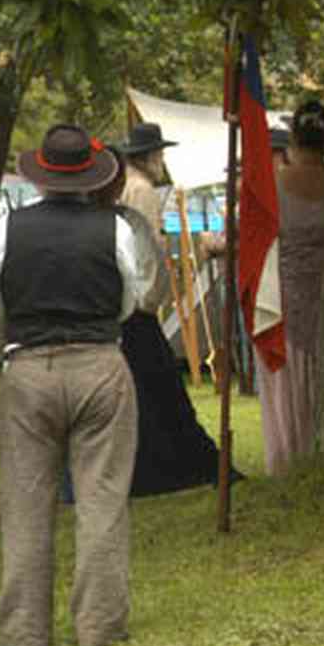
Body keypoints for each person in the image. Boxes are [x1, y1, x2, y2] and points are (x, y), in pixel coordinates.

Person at [0, 124, 149, 646]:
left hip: (28, 366)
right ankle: (99, 622)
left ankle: (23, 632)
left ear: (43, 174)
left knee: (25, 501)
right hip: (99, 360)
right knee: (102, 497)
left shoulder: (10, 227)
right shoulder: (115, 229)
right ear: (89, 175)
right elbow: (129, 297)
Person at [106, 126, 226, 496]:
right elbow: (143, 247)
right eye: (159, 155)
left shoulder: (131, 186)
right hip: (136, 304)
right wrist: (151, 293)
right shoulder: (141, 190)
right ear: (151, 156)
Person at [258, 99, 324, 475]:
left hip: (280, 300)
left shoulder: (275, 187)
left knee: (286, 387)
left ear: (294, 141)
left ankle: (287, 458)